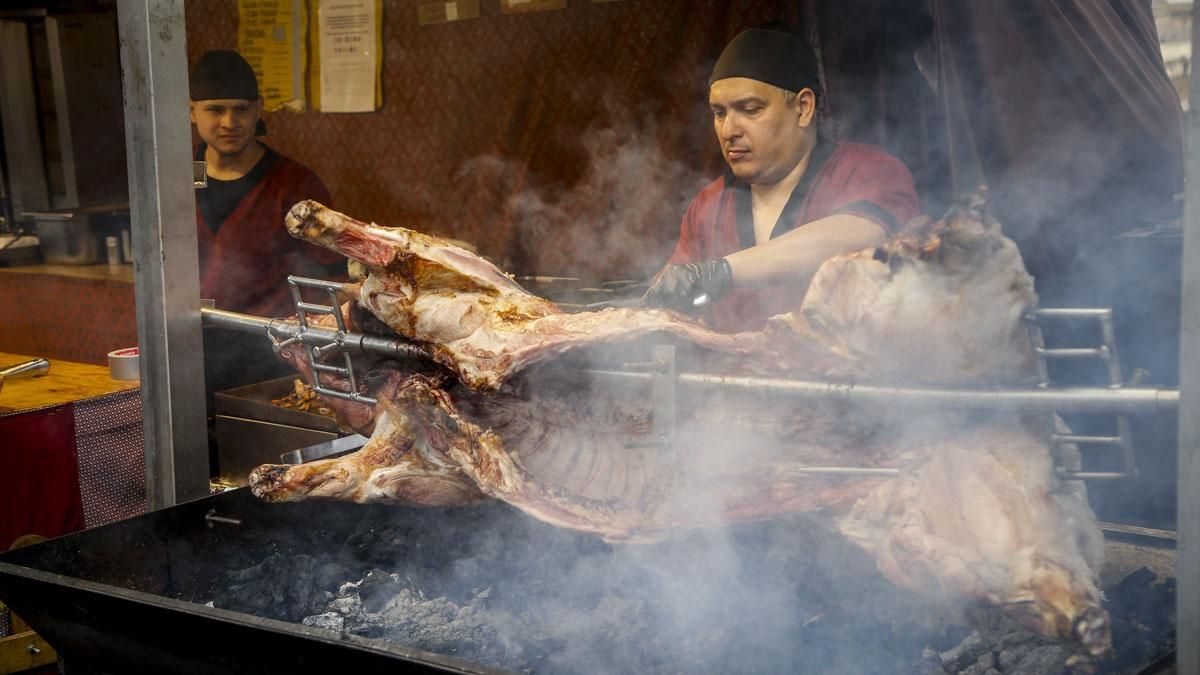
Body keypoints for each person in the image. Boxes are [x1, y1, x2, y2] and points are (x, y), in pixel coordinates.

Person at [640, 25, 921, 332]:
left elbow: (863, 233)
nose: (728, 130)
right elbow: (673, 311)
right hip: (731, 364)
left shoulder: (866, 171)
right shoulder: (708, 205)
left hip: (839, 364)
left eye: (750, 109)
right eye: (719, 113)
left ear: (803, 107)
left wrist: (723, 272)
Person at [188, 50, 343, 411]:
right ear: (192, 110)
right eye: (215, 110)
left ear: (258, 109)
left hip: (271, 356)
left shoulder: (295, 184)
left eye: (241, 109)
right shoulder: (173, 175)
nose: (229, 122)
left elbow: (328, 283)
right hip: (190, 350)